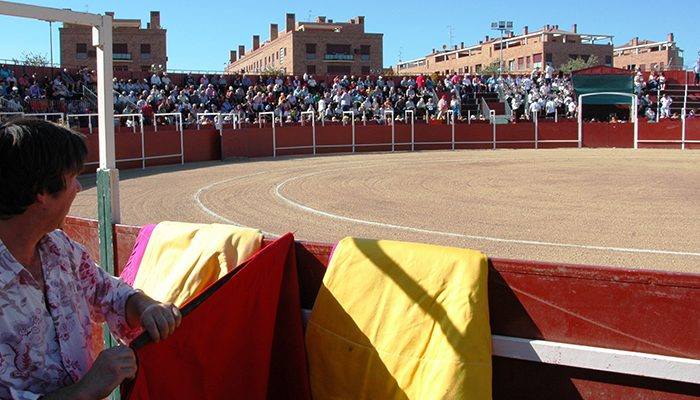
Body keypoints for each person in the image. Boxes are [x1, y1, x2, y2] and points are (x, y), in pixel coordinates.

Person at [0, 118, 182, 399]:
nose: (78, 188)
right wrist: (84, 391)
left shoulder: (58, 247)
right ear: (41, 194)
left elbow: (109, 292)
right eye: (71, 178)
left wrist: (146, 307)